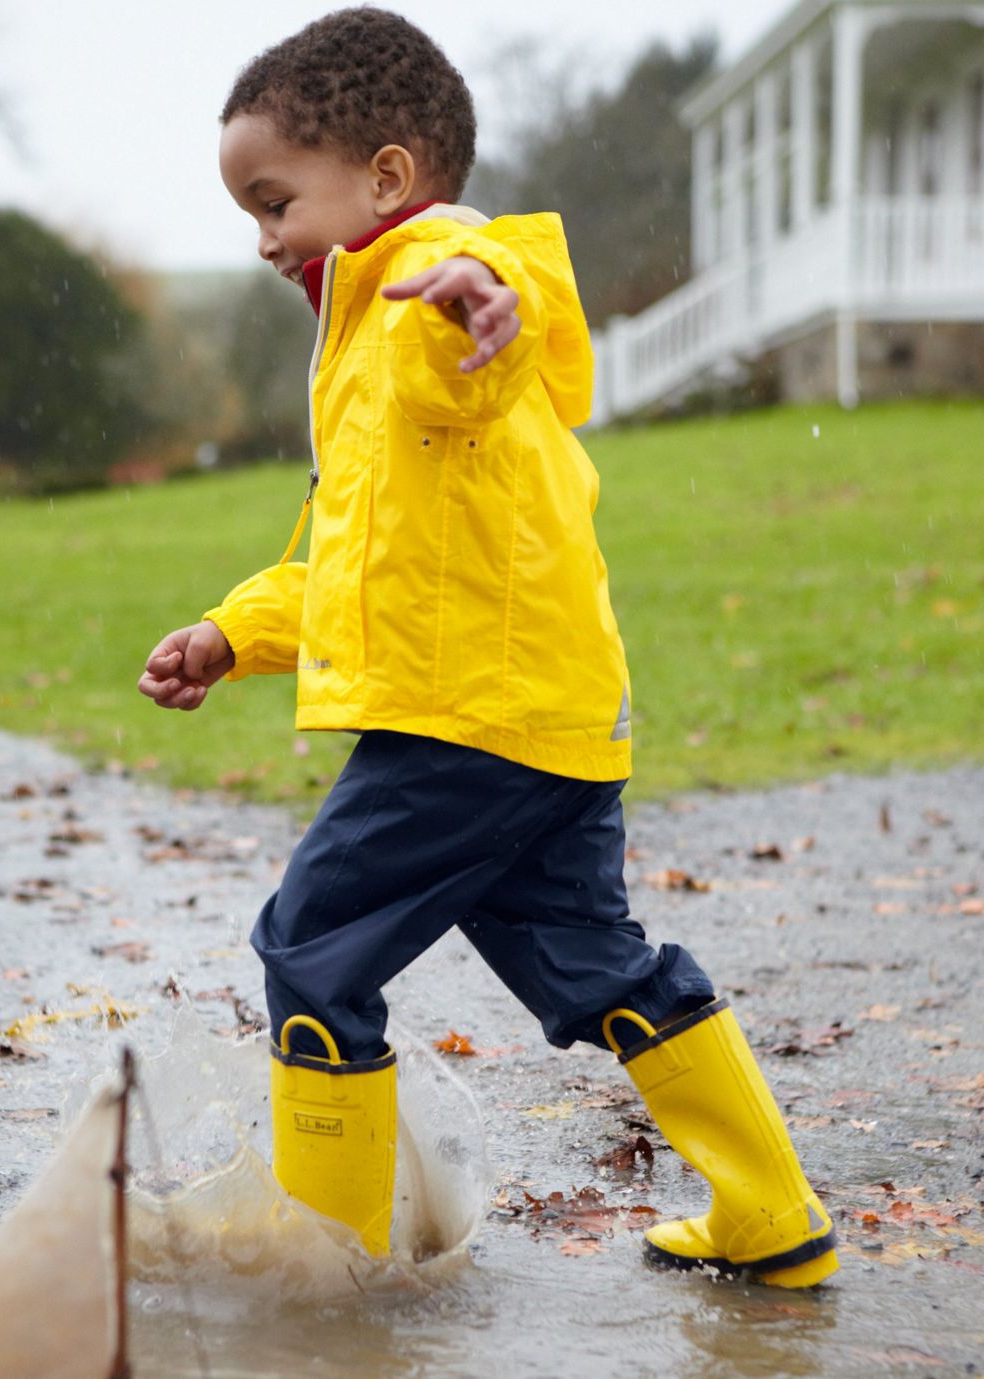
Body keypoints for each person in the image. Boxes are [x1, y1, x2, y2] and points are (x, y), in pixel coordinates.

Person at [138, 7, 838, 1286]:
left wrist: (478, 303)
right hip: (551, 720)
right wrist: (233, 632)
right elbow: (362, 560)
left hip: (465, 723)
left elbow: (473, 347)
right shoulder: (366, 336)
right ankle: (772, 1213)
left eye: (275, 199)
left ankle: (332, 1258)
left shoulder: (427, 289)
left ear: (389, 178)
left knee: (312, 944)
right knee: (598, 968)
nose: (261, 238)